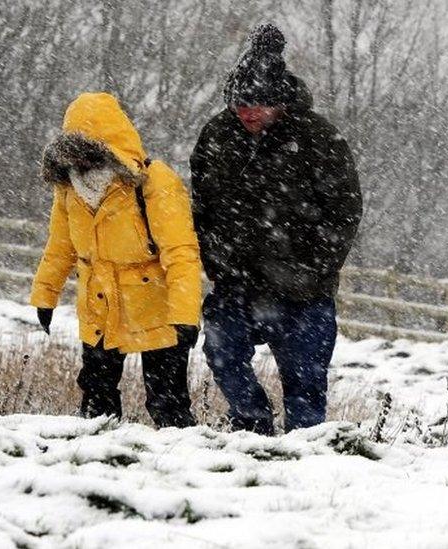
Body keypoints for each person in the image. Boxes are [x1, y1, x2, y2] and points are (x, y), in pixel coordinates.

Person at [190, 23, 362, 435]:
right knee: (222, 353)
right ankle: (252, 429)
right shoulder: (217, 135)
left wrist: (314, 269)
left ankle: (305, 458)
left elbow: (344, 211)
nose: (246, 111)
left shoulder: (320, 139)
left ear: (280, 101)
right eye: (239, 102)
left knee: (306, 389)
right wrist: (215, 258)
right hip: (236, 283)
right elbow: (201, 206)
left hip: (304, 291)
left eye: (258, 103)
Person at [31, 92, 202, 428]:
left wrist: (185, 314)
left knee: (168, 406)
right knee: (97, 405)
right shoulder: (68, 188)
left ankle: (178, 469)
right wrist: (44, 295)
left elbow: (181, 252)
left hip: (156, 307)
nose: (80, 161)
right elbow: (60, 246)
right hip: (99, 304)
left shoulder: (155, 182)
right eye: (74, 150)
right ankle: (101, 466)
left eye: (87, 150)